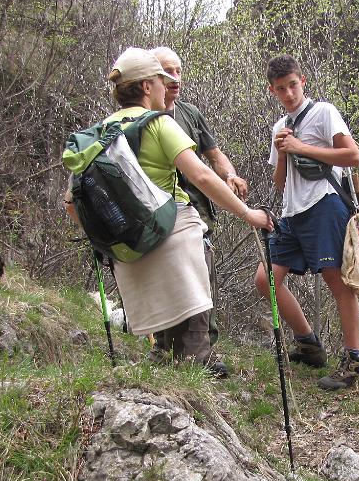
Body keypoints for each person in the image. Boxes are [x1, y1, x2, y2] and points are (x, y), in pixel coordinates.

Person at [64, 47, 272, 375]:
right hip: (174, 235)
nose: (168, 85)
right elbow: (201, 175)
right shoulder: (158, 124)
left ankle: (163, 388)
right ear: (147, 86)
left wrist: (108, 241)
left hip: (129, 249)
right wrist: (248, 214)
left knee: (162, 346)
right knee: (192, 342)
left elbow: (72, 203)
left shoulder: (99, 134)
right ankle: (189, 405)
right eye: (162, 79)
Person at [254, 54, 359, 391]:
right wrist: (285, 151)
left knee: (337, 282)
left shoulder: (324, 112)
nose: (288, 93)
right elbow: (279, 182)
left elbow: (352, 156)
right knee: (265, 279)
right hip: (291, 211)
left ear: (302, 81)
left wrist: (303, 146)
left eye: (292, 85)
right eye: (280, 89)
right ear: (272, 91)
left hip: (325, 205)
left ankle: (353, 361)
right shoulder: (279, 127)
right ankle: (309, 344)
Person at [150, 46, 247, 358]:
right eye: (167, 72)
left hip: (197, 211)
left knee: (201, 278)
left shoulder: (190, 114)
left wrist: (230, 175)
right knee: (166, 278)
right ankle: (163, 347)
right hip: (158, 211)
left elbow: (215, 156)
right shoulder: (145, 119)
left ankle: (205, 350)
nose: (174, 78)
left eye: (178, 71)